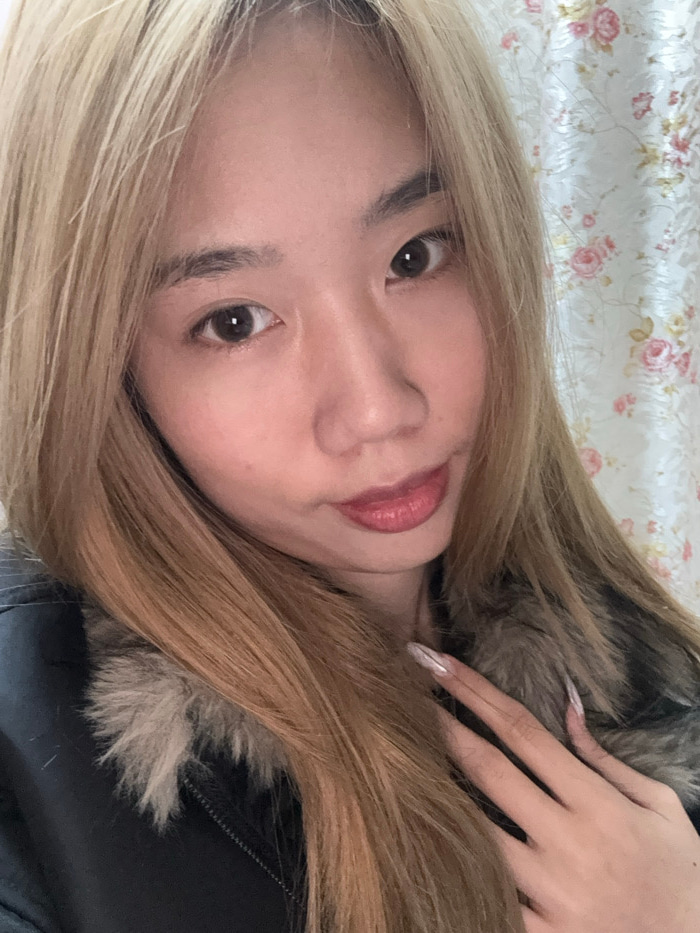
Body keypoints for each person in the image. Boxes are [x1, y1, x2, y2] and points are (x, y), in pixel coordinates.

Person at [0, 0, 698, 931]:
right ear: (103, 369)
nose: (378, 408)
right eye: (235, 321)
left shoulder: (637, 652)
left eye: (415, 255)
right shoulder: (30, 768)